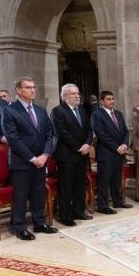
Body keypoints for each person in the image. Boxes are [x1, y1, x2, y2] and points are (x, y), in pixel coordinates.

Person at [2, 77, 58, 240]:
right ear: (19, 90)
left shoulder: (41, 110)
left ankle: (39, 223)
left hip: (41, 160)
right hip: (22, 162)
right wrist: (33, 158)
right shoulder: (10, 110)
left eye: (34, 87)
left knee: (38, 193)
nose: (33, 90)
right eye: (28, 87)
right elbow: (13, 138)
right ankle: (19, 227)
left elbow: (50, 135)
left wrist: (45, 155)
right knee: (20, 195)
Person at [50, 84, 93, 227]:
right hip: (66, 155)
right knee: (66, 187)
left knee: (80, 185)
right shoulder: (57, 111)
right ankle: (65, 216)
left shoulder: (82, 111)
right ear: (64, 96)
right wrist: (78, 147)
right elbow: (61, 133)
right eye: (73, 94)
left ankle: (78, 211)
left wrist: (87, 144)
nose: (77, 96)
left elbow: (89, 130)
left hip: (82, 154)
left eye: (78, 93)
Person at [91, 90, 133, 214]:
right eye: (108, 99)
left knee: (116, 179)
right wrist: (116, 148)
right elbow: (101, 134)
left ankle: (118, 201)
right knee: (104, 181)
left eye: (113, 99)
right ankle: (103, 206)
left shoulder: (118, 114)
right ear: (102, 101)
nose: (112, 101)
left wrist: (125, 144)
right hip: (106, 153)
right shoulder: (97, 115)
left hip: (119, 153)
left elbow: (125, 131)